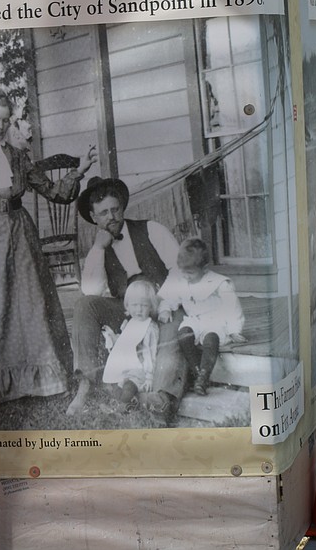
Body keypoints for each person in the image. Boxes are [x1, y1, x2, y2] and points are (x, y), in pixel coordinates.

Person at [0, 88, 97, 407]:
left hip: (21, 233)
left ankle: (39, 380)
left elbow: (53, 190)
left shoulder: (18, 156)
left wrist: (80, 170)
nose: (1, 126)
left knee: (31, 304)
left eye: (5, 120)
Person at [66, 176, 187, 422]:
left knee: (172, 330)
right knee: (85, 306)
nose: (111, 217)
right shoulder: (97, 249)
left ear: (122, 209)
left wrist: (163, 301)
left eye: (115, 209)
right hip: (129, 309)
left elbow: (180, 268)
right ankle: (86, 385)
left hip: (163, 302)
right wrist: (99, 249)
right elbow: (92, 291)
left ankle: (161, 399)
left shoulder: (151, 229)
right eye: (103, 213)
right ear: (94, 217)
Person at [158, 238, 245, 396]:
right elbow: (170, 297)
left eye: (190, 273)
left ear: (204, 269)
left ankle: (204, 375)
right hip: (195, 320)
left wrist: (234, 329)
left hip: (215, 321)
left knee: (211, 337)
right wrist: (165, 309)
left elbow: (232, 306)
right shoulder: (181, 279)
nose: (185, 276)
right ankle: (197, 372)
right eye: (183, 271)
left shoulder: (218, 282)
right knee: (184, 334)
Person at [101, 278, 162, 411]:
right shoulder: (130, 323)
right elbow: (125, 344)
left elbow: (149, 352)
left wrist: (149, 376)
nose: (139, 310)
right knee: (113, 386)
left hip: (139, 371)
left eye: (144, 305)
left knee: (129, 387)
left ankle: (120, 409)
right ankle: (128, 404)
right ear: (127, 306)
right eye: (134, 305)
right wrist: (113, 337)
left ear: (151, 306)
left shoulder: (149, 327)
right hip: (125, 368)